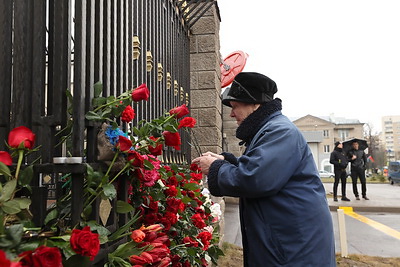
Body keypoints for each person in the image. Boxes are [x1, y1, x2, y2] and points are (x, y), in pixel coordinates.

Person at [192, 72, 335, 266]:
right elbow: (259, 167)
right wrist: (228, 162)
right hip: (287, 242)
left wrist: (216, 167)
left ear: (254, 104)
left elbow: (255, 179)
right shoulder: (270, 128)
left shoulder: (279, 131)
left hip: (292, 249)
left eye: (235, 107)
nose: (232, 114)